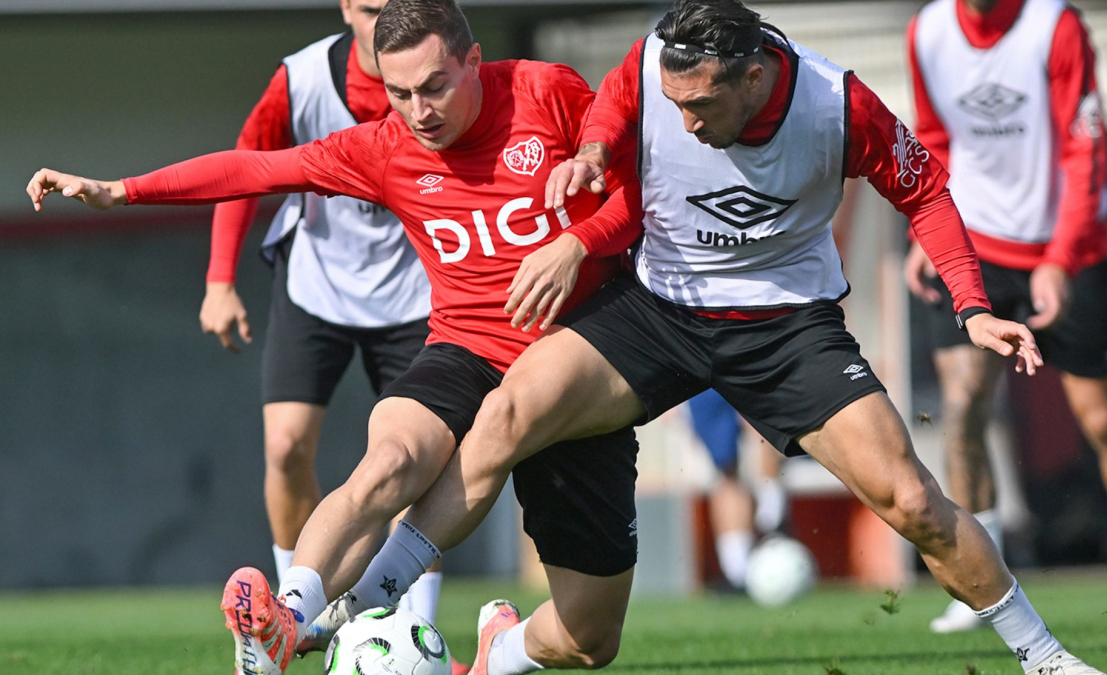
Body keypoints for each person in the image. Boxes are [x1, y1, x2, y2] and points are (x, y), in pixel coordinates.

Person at [322, 0, 1104, 673]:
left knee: (913, 502)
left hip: (785, 326)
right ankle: (364, 607)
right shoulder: (658, 61)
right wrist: (595, 148)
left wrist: (972, 305)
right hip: (658, 309)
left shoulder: (838, 105)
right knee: (505, 415)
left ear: (755, 76)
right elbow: (618, 102)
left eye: (701, 107)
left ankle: (1047, 656)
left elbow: (926, 191)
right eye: (676, 104)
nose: (686, 124)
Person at [26, 1, 646, 675]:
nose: (419, 110)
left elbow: (638, 190)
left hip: (579, 361)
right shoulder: (384, 147)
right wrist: (122, 190)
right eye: (399, 92)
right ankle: (285, 623)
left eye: (435, 86)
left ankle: (499, 649)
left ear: (474, 61)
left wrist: (578, 245)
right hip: (466, 350)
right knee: (389, 460)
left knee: (588, 639)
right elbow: (254, 169)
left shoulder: (544, 91)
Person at [904, 0, 1107, 632]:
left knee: (1104, 419)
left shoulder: (1054, 25)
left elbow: (1085, 150)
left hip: (1067, 244)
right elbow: (935, 139)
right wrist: (929, 233)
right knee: (962, 410)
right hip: (971, 244)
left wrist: (1060, 258)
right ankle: (982, 583)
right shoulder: (927, 31)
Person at [203, 0, 447, 612]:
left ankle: (416, 632)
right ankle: (292, 611)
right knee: (285, 447)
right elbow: (245, 166)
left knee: (420, 467)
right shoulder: (302, 78)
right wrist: (218, 279)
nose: (381, 23)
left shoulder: (442, 81)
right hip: (316, 284)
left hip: (416, 293)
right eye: (368, 10)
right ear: (345, 7)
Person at [686, 389, 787, 590]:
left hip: (751, 361)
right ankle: (738, 573)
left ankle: (772, 520)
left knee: (765, 428)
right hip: (701, 375)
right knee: (724, 469)